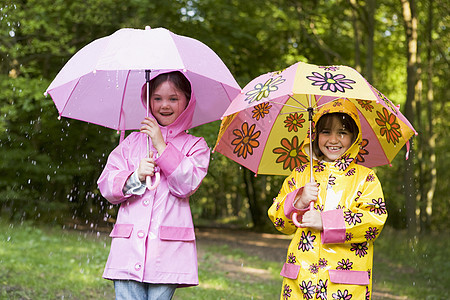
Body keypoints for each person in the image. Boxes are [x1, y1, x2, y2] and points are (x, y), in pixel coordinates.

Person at [97, 71, 210, 300]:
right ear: (148, 101)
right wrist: (135, 176)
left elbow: (185, 185)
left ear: (187, 102)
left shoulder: (195, 146)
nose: (164, 105)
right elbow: (106, 185)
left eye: (173, 98)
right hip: (128, 249)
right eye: (157, 98)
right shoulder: (131, 143)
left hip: (168, 251)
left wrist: (161, 145)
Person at [268, 98, 387, 300]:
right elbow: (279, 221)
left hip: (343, 284)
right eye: (325, 132)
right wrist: (299, 200)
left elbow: (373, 221)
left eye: (342, 132)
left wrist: (325, 222)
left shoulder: (365, 178)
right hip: (301, 279)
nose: (333, 139)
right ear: (314, 135)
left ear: (354, 137)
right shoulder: (300, 175)